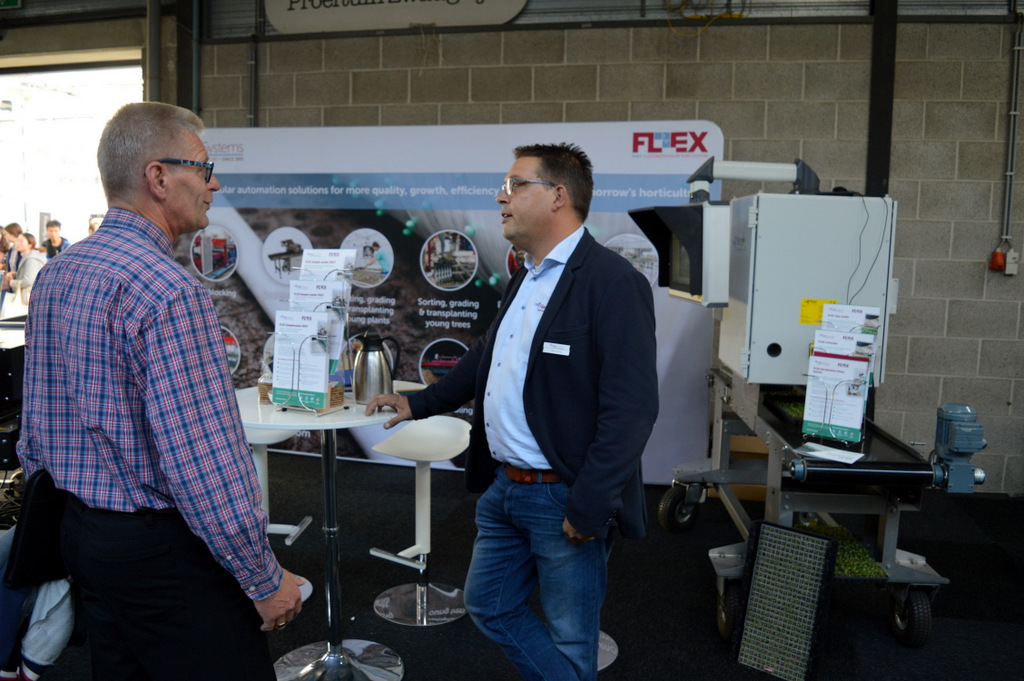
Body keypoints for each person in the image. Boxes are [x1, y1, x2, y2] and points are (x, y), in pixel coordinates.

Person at [16, 101, 304, 681]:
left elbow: (36, 429)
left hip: (83, 535)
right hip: (161, 556)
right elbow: (202, 463)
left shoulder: (57, 274)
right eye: (204, 168)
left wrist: (64, 529)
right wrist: (262, 578)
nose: (214, 184)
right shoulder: (169, 292)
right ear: (158, 177)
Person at [365, 143, 659, 681]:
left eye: (515, 185)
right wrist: (419, 402)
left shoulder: (613, 282)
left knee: (572, 639)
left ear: (558, 196)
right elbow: (489, 355)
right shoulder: (527, 274)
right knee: (489, 604)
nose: (501, 198)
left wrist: (589, 505)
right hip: (505, 488)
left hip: (562, 495)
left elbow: (633, 409)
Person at [2, 234, 46, 317]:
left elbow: (29, 281)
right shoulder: (29, 257)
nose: (17, 243)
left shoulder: (32, 259)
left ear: (30, 244)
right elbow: (30, 274)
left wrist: (12, 283)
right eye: (17, 241)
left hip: (30, 298)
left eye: (21, 241)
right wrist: (15, 275)